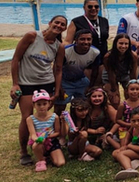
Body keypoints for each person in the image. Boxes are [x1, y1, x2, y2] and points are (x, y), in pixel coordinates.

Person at [11, 15, 67, 166]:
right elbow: (16, 59)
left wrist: (56, 90)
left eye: (63, 24)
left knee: (45, 115)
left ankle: (46, 147)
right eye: (57, 22)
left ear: (65, 28)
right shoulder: (32, 36)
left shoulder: (59, 46)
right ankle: (24, 151)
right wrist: (15, 84)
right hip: (26, 83)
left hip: (46, 83)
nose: (59, 26)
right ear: (50, 23)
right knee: (27, 116)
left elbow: (58, 68)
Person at [55, 28, 100, 113]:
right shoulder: (66, 51)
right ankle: (58, 125)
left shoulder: (95, 52)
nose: (86, 42)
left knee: (84, 106)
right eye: (82, 39)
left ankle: (79, 124)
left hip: (81, 80)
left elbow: (95, 71)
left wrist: (90, 86)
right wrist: (59, 87)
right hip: (64, 81)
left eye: (88, 39)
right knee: (60, 107)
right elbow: (57, 69)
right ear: (75, 40)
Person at [25, 90, 65, 172]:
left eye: (44, 104)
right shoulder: (30, 119)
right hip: (39, 141)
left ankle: (50, 156)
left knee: (60, 163)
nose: (42, 107)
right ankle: (41, 160)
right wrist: (38, 139)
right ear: (34, 105)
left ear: (49, 104)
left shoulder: (55, 117)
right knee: (36, 145)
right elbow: (32, 134)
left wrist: (49, 136)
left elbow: (57, 132)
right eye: (38, 104)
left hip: (52, 141)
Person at [107, 79, 139, 150]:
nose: (135, 91)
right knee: (123, 148)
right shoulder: (123, 105)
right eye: (132, 89)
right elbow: (117, 120)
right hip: (126, 127)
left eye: (137, 89)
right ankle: (108, 138)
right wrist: (129, 125)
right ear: (127, 91)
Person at [65, 0, 110, 64]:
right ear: (84, 8)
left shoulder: (104, 21)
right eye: (90, 7)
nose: (93, 8)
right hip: (84, 57)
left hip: (102, 56)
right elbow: (68, 41)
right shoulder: (76, 21)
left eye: (96, 6)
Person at [103, 33, 138, 108]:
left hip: (125, 74)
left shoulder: (133, 56)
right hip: (110, 76)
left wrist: (133, 86)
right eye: (121, 43)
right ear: (115, 43)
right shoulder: (108, 57)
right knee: (115, 100)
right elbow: (110, 73)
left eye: (126, 44)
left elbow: (133, 73)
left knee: (131, 96)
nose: (123, 46)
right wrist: (113, 90)